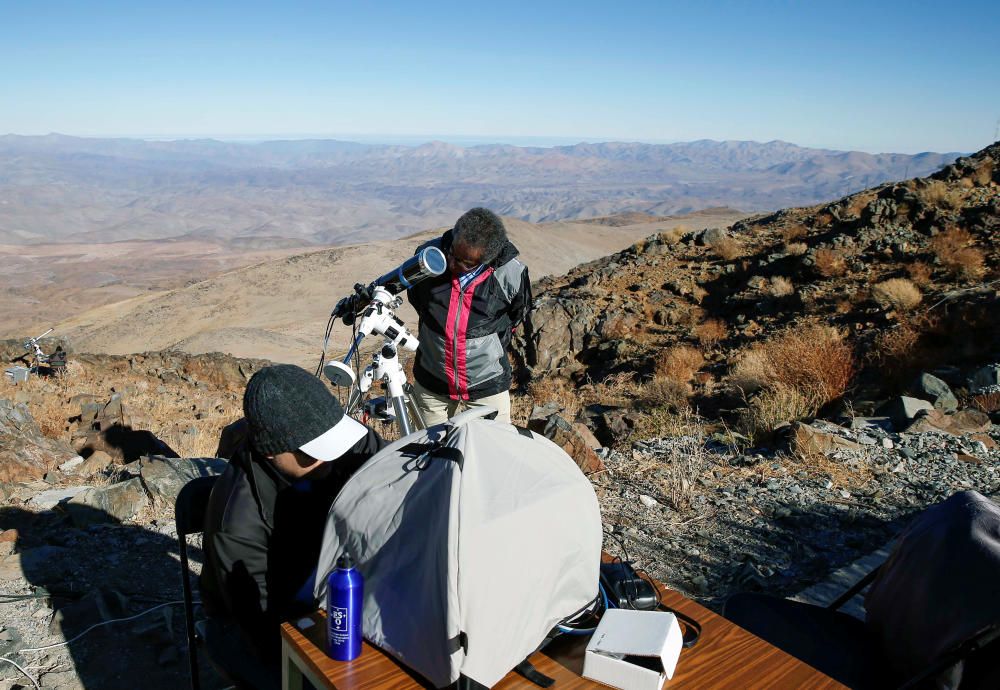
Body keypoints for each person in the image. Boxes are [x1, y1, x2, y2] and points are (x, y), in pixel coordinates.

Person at [200, 364, 384, 686]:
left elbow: (385, 466)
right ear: (271, 453)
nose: (330, 458)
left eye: (332, 440)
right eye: (314, 452)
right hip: (258, 622)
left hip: (335, 588)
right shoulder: (237, 521)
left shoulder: (330, 438)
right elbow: (261, 624)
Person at [407, 207, 531, 425]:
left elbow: (517, 314)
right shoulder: (429, 257)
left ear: (487, 259)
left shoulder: (511, 274)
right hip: (432, 383)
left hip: (487, 384)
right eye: (453, 253)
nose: (454, 265)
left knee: (493, 451)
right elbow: (417, 299)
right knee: (429, 454)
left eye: (466, 263)